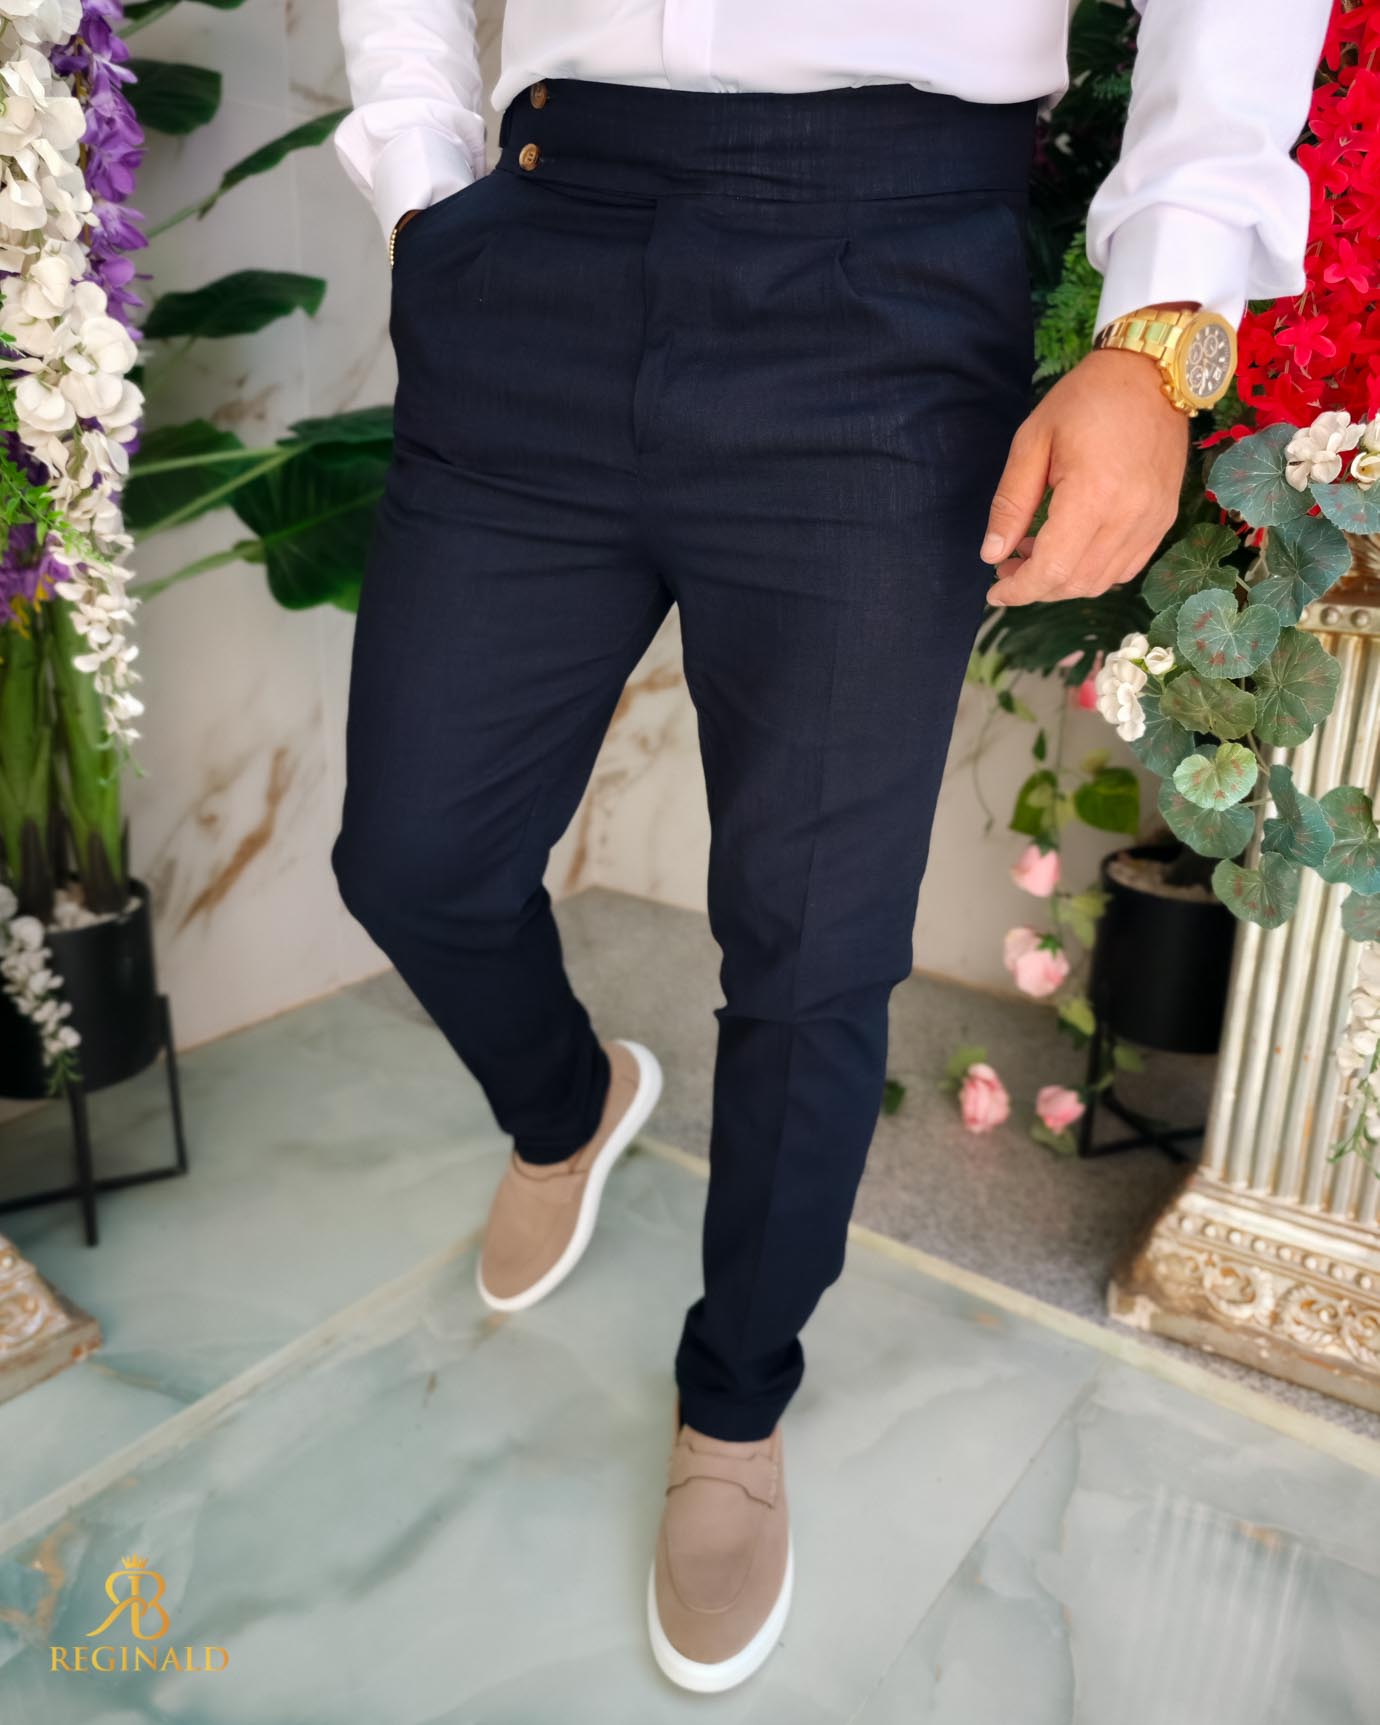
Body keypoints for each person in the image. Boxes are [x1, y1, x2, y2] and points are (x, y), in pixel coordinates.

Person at [329, 0, 1328, 1693]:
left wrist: (1163, 320)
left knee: (811, 944)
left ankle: (734, 1402)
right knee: (412, 857)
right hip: (540, 242)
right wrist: (426, 184)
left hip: (885, 264)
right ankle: (569, 1105)